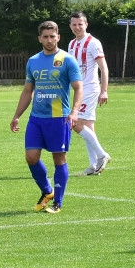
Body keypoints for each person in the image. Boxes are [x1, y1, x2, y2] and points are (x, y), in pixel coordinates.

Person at [11, 20, 83, 215]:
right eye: (46, 37)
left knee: (59, 159)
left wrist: (75, 111)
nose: (49, 40)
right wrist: (17, 115)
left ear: (58, 37)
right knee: (31, 157)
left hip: (59, 118)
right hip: (36, 118)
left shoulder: (67, 60)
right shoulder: (33, 61)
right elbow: (28, 90)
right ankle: (47, 192)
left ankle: (57, 203)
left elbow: (78, 87)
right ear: (39, 39)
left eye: (53, 36)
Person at [67, 11, 111, 176]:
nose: (77, 27)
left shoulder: (93, 43)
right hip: (78, 90)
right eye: (74, 24)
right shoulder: (71, 44)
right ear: (70, 26)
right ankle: (93, 166)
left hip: (91, 89)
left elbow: (103, 68)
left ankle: (102, 154)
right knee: (88, 127)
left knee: (76, 123)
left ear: (86, 24)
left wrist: (104, 90)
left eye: (80, 24)